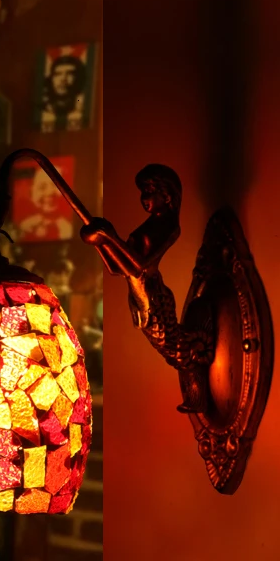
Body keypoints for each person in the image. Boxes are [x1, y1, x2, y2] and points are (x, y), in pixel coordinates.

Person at [79, 164, 213, 412]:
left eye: (149, 191)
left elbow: (140, 266)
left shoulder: (170, 228)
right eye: (143, 191)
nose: (144, 198)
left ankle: (198, 391)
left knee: (170, 347)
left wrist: (111, 237)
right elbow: (116, 268)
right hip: (137, 296)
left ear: (167, 195)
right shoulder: (146, 227)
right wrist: (99, 243)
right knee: (166, 346)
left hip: (152, 294)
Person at [17, 167, 74, 242]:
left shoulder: (69, 228)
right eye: (42, 187)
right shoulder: (23, 228)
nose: (49, 192)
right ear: (31, 192)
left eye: (55, 186)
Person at [40, 54, 87, 132]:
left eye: (70, 74)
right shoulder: (42, 110)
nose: (63, 79)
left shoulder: (83, 110)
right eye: (57, 74)